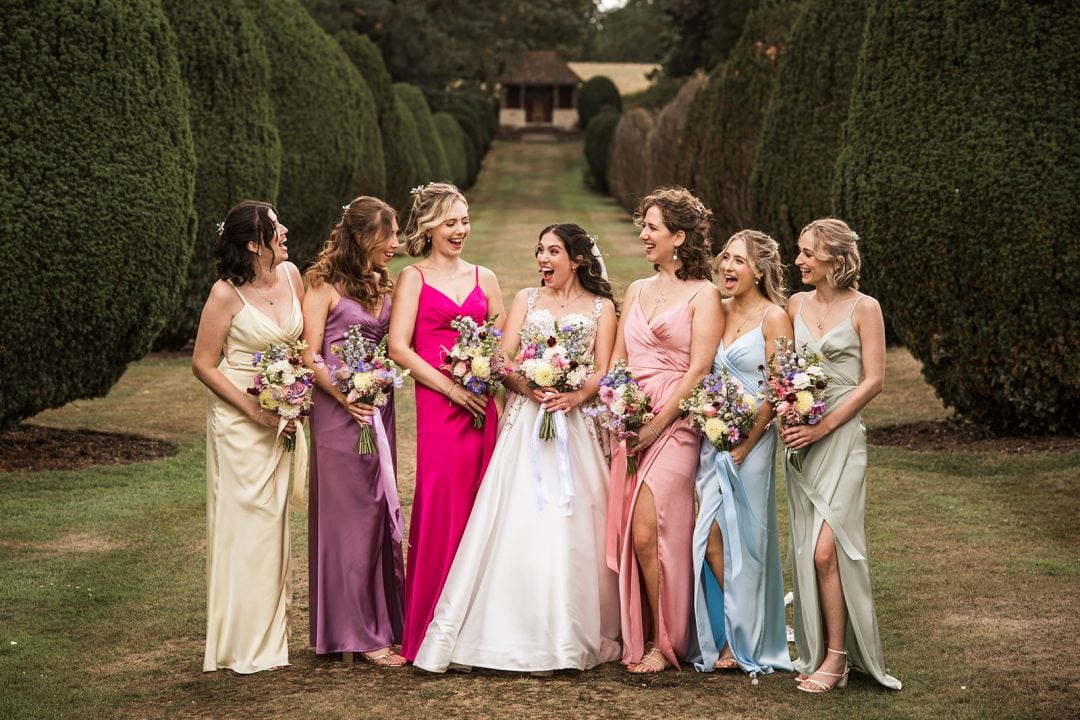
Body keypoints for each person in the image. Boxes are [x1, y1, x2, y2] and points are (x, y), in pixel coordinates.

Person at [414, 223, 621, 674]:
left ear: (578, 259)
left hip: (575, 426)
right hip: (527, 421)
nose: (542, 260)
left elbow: (603, 371)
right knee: (512, 517)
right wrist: (531, 385)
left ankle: (569, 633)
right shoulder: (527, 299)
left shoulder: (603, 309)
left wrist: (572, 395)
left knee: (574, 518)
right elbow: (502, 361)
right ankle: (500, 629)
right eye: (539, 251)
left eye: (552, 251)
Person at [781, 218, 902, 692]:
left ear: (835, 257)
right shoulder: (794, 305)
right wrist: (789, 415)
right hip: (802, 439)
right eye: (798, 252)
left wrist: (825, 425)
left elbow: (874, 380)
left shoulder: (865, 307)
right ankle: (826, 650)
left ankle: (838, 659)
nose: (799, 261)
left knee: (828, 550)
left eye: (808, 253)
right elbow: (785, 372)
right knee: (809, 551)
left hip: (842, 437)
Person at [605, 187, 723, 673]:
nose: (644, 234)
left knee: (652, 528)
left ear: (679, 236)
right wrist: (622, 409)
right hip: (630, 422)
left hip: (675, 422)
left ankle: (662, 642)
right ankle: (648, 633)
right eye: (644, 226)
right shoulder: (635, 289)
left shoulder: (705, 294)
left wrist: (656, 425)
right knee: (636, 532)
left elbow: (699, 371)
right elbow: (617, 361)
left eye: (653, 227)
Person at [387, 182, 505, 662]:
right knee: (441, 508)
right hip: (440, 409)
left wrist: (490, 369)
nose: (461, 230)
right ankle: (430, 627)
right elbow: (399, 347)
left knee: (485, 507)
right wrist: (450, 386)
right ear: (430, 226)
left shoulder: (486, 276)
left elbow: (499, 343)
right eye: (451, 222)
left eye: (464, 219)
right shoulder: (412, 278)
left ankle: (480, 627)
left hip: (482, 409)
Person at [193, 200, 305, 673]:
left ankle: (270, 635)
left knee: (276, 525)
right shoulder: (225, 294)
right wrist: (254, 411)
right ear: (253, 244)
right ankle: (241, 643)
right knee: (246, 530)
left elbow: (301, 347)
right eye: (274, 228)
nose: (284, 232)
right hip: (241, 423)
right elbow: (203, 363)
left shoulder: (293, 275)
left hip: (283, 415)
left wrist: (294, 392)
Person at [300, 196, 406, 667]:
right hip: (337, 416)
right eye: (389, 236)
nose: (396, 244)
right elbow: (309, 354)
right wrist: (343, 394)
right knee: (349, 521)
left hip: (378, 411)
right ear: (364, 237)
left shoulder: (386, 286)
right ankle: (358, 634)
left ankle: (381, 623)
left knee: (380, 510)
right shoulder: (322, 286)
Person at [688, 230, 793, 678]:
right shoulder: (718, 307)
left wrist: (747, 443)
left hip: (753, 443)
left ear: (761, 271)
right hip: (713, 440)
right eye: (726, 258)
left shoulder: (775, 317)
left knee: (746, 538)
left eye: (739, 262)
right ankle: (727, 629)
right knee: (709, 534)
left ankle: (741, 639)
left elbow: (779, 386)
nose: (728, 268)